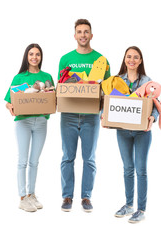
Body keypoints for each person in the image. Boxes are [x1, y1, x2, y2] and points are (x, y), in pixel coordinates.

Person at [58, 19, 110, 212]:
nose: (82, 35)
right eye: (79, 32)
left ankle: (86, 197)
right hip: (69, 115)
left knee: (89, 158)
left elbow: (108, 89)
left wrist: (105, 113)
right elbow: (61, 87)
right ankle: (67, 196)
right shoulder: (65, 59)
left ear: (91, 35)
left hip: (91, 116)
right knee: (67, 157)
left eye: (86, 32)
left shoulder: (101, 59)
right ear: (75, 36)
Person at [4, 43, 55, 212]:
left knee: (34, 161)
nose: (34, 57)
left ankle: (32, 194)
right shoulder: (19, 77)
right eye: (31, 54)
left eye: (38, 54)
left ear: (41, 57)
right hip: (23, 122)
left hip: (41, 122)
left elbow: (53, 98)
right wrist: (10, 106)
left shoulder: (47, 76)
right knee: (23, 161)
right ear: (27, 56)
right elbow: (8, 101)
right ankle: (22, 197)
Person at [114, 46, 159, 223]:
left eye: (135, 57)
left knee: (141, 170)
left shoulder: (148, 81)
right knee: (127, 169)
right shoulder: (116, 80)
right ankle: (128, 205)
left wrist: (152, 119)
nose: (131, 60)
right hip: (122, 131)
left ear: (140, 61)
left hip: (142, 132)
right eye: (128, 57)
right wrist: (104, 114)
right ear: (124, 59)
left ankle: (141, 209)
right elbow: (109, 102)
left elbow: (156, 106)